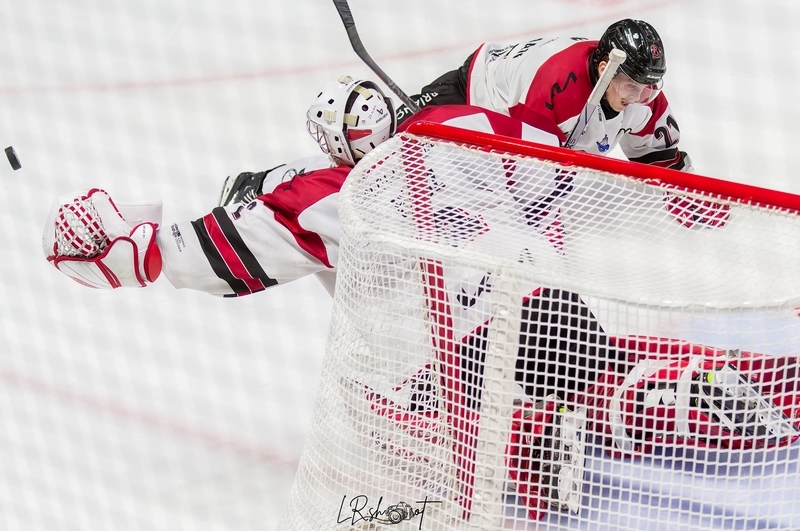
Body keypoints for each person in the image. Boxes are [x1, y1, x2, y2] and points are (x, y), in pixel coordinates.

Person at [41, 75, 798, 521]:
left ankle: (545, 441)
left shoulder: (323, 193)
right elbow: (561, 170)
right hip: (544, 294)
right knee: (607, 372)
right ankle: (651, 393)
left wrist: (114, 235)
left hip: (462, 349)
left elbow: (181, 255)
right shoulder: (460, 127)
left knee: (439, 424)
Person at [396, 19, 693, 172]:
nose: (642, 96)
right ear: (605, 70)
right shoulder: (556, 92)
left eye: (650, 86)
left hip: (525, 114)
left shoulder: (642, 96)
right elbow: (524, 180)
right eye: (632, 86)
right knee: (388, 140)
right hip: (474, 92)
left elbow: (663, 160)